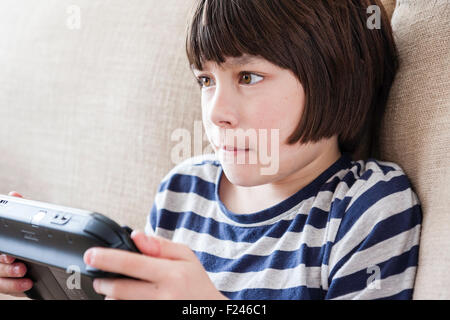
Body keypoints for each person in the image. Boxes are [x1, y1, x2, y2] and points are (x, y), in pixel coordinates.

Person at [0, 0, 422, 300]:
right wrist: (44, 276)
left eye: (249, 77)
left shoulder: (366, 207)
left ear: (336, 76)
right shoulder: (183, 191)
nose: (217, 112)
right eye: (206, 80)